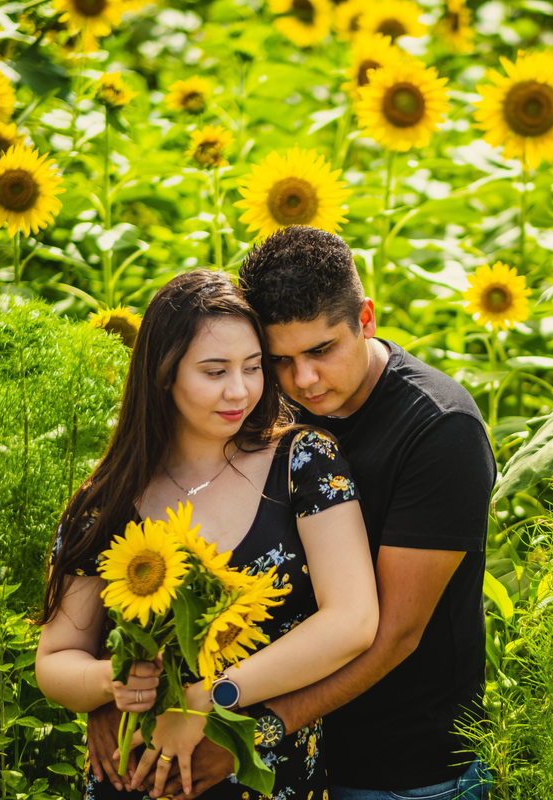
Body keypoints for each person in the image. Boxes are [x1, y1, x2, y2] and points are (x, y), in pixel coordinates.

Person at [89, 226, 497, 799]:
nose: (303, 379)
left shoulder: (439, 430)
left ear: (365, 319)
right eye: (279, 359)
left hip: (400, 766)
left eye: (322, 350)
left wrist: (243, 733)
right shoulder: (260, 398)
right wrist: (115, 701)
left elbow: (394, 634)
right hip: (290, 750)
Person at [36, 269, 378, 800]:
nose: (239, 390)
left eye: (253, 367)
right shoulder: (107, 500)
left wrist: (207, 700)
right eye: (215, 371)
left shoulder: (303, 461)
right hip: (134, 782)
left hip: (268, 778)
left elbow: (352, 621)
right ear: (163, 375)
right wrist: (115, 683)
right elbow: (56, 659)